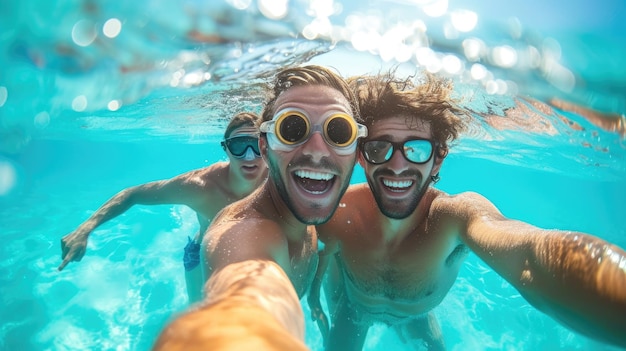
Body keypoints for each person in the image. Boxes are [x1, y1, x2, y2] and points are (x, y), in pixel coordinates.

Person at [308, 72, 626, 350]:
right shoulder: (338, 211)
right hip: (354, 313)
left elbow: (530, 256)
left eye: (417, 149)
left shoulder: (454, 217)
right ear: (363, 157)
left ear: (438, 160)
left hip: (418, 316)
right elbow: (307, 260)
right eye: (380, 148)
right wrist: (314, 299)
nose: (397, 165)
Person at [152, 65, 367, 350]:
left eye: (338, 132)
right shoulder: (245, 229)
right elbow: (247, 290)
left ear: (356, 150)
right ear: (266, 147)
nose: (317, 149)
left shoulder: (315, 201)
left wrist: (315, 296)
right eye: (292, 129)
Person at [58, 112, 268, 303]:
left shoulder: (279, 182)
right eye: (239, 146)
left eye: (257, 146)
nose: (249, 156)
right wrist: (85, 228)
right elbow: (133, 194)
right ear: (226, 149)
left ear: (268, 147)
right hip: (203, 256)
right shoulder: (199, 187)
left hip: (255, 255)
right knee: (200, 317)